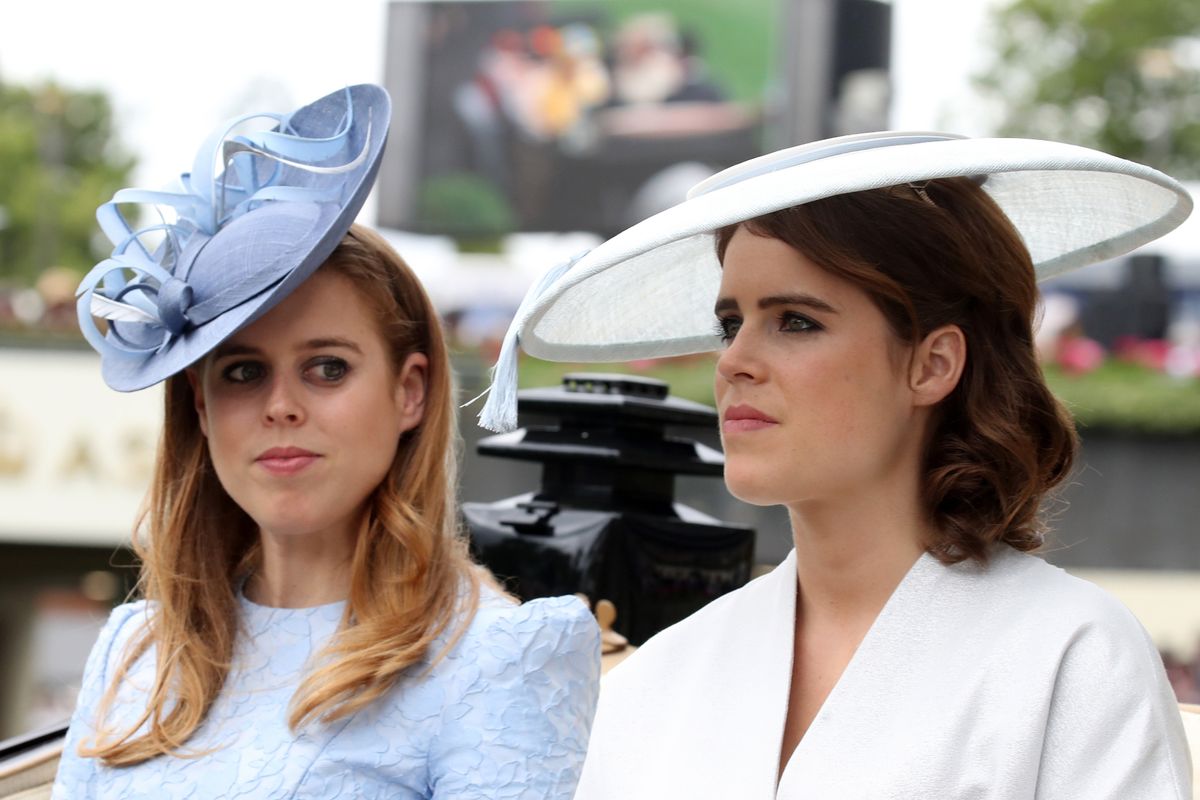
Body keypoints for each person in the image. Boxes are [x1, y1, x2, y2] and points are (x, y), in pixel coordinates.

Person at [478, 132, 1194, 797]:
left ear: (932, 364)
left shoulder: (1070, 656)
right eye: (731, 324)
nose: (733, 361)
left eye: (796, 321)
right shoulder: (663, 674)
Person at [53, 84, 600, 799]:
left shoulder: (496, 657)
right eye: (244, 372)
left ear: (410, 391)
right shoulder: (132, 654)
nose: (281, 406)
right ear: (201, 405)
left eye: (327, 368)